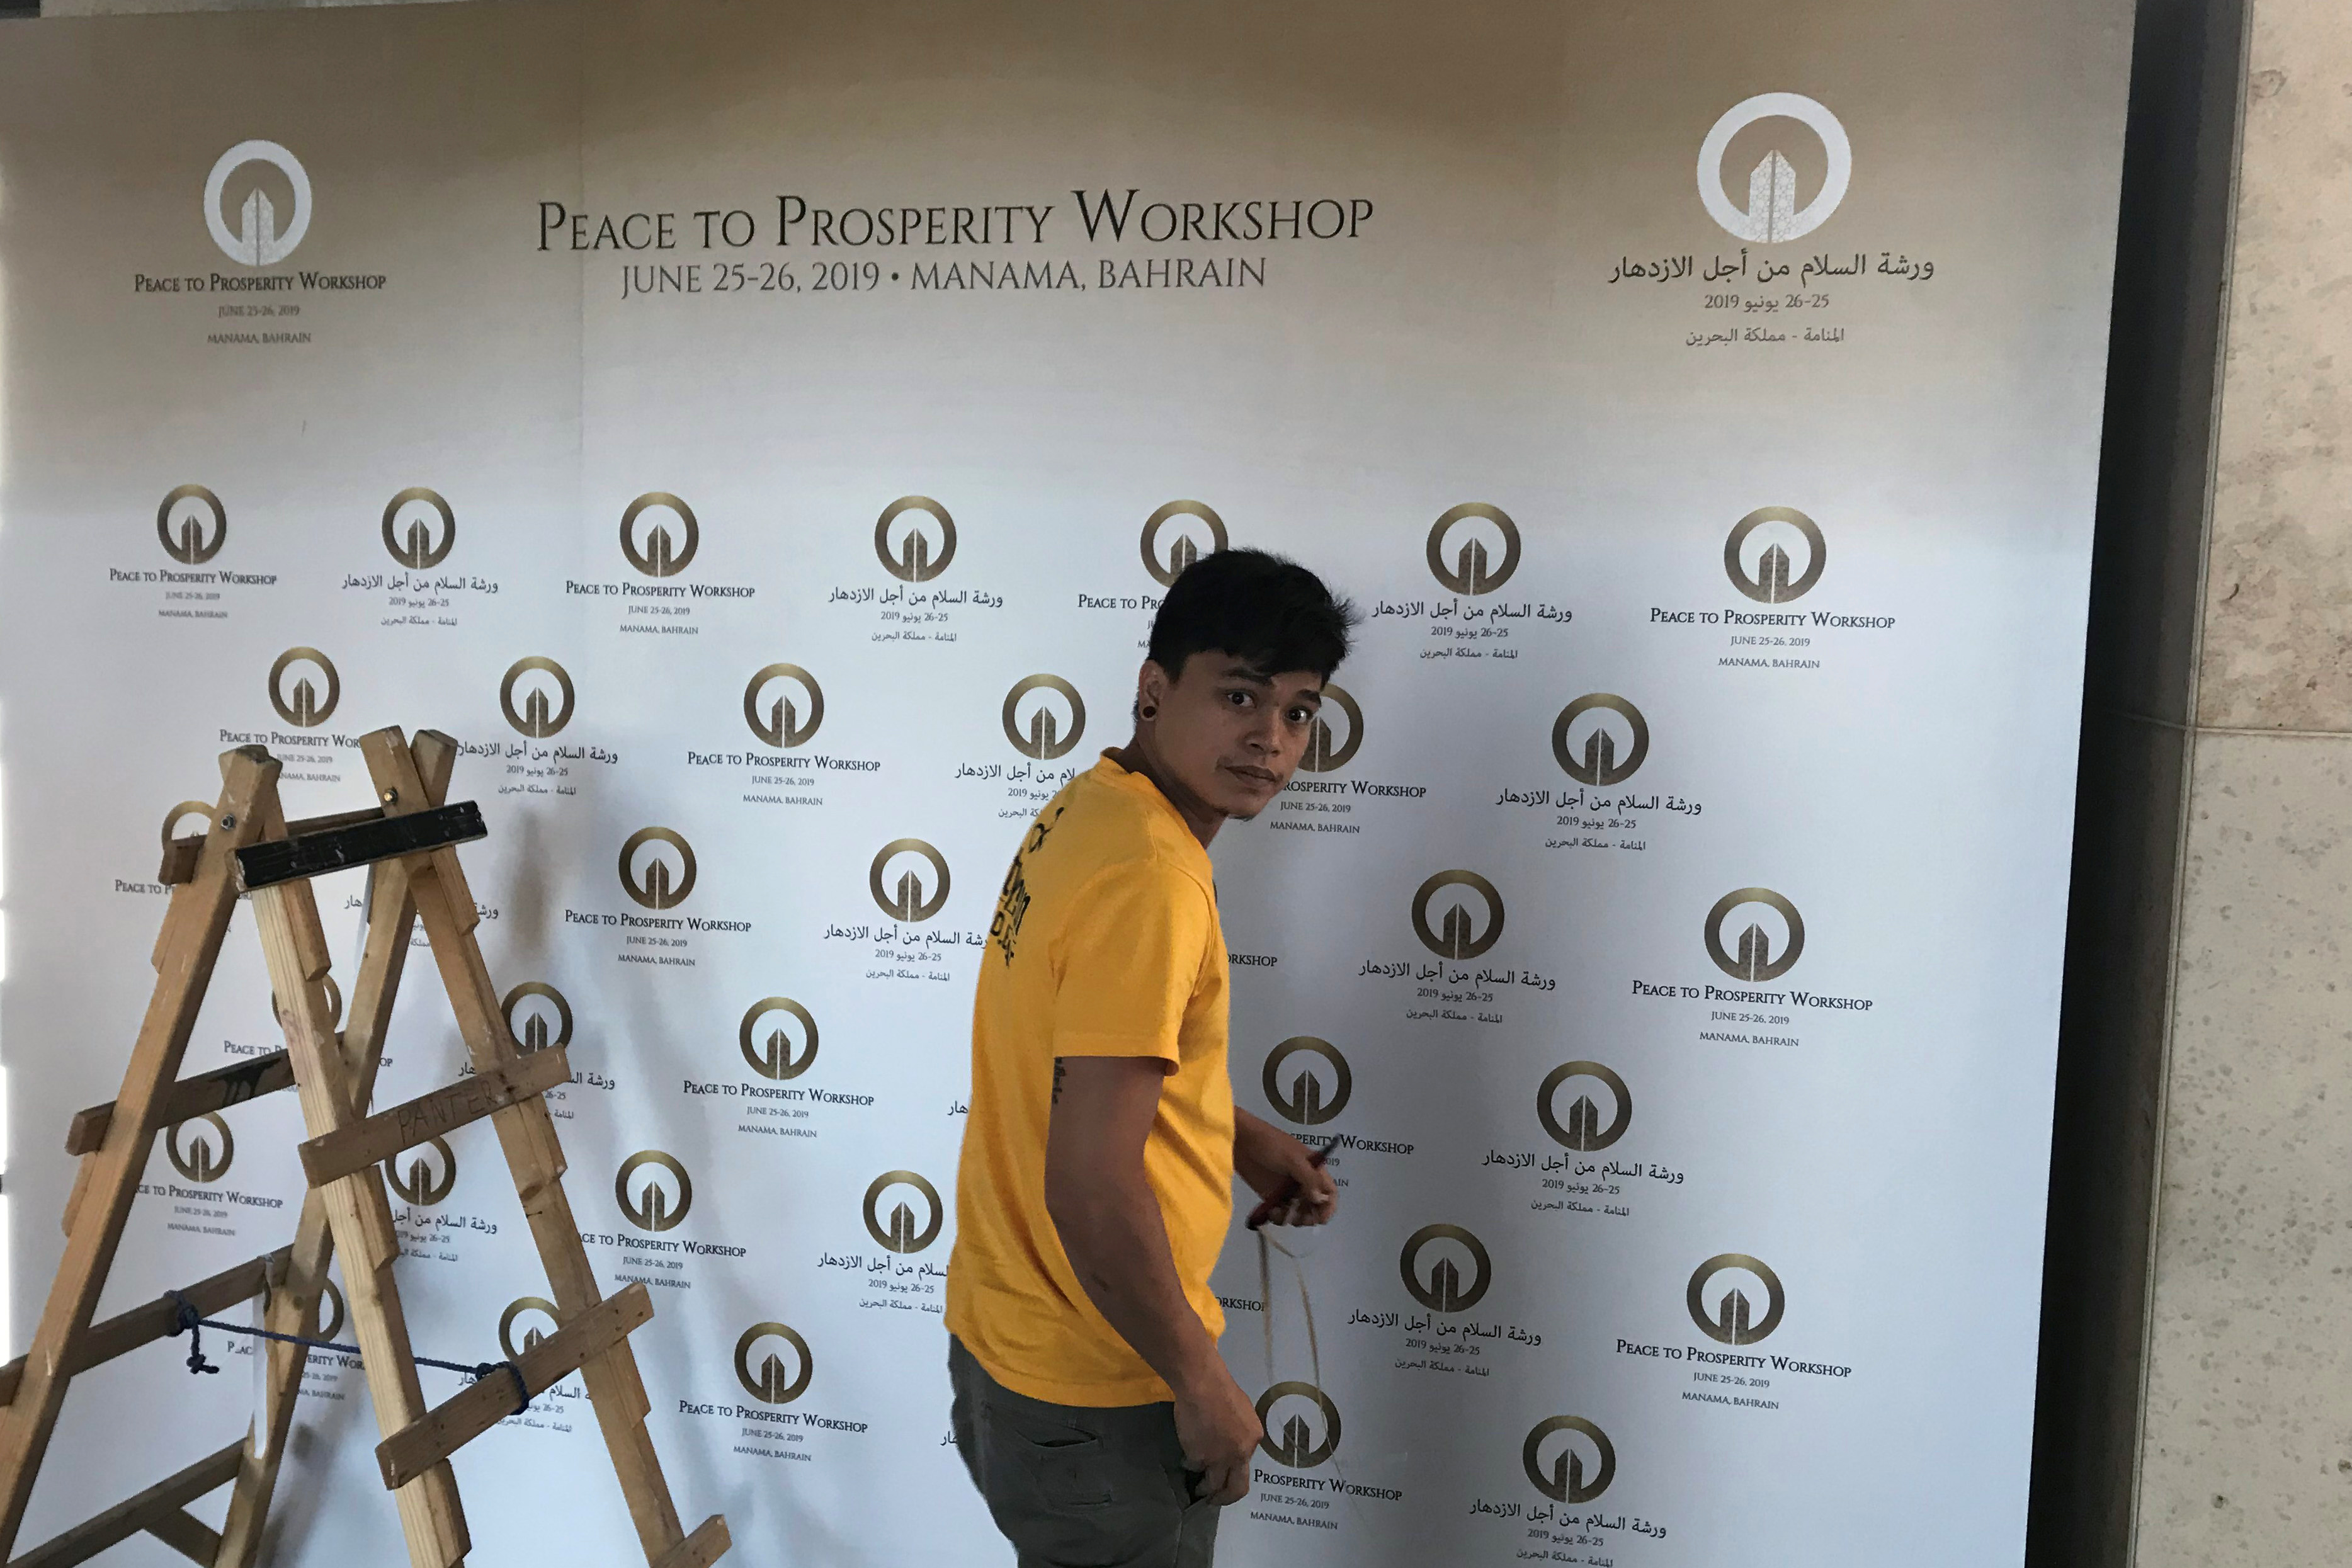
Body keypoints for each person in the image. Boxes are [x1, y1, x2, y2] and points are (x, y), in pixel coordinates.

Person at [945, 548, 1355, 1567]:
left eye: (1298, 710)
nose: (1269, 737)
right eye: (1239, 695)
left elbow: (1076, 1067)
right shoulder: (1154, 878)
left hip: (1014, 1343)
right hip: (1107, 1388)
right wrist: (1200, 1381)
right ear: (1154, 688)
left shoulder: (1096, 807)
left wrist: (1234, 1135)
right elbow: (1090, 1184)